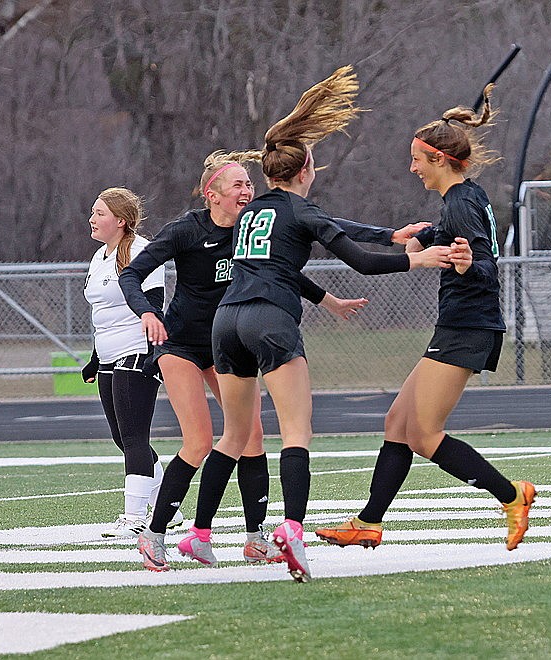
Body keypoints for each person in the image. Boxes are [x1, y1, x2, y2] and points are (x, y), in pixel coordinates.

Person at [176, 65, 454, 583]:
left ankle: (198, 534)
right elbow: (357, 258)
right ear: (305, 169)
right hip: (269, 320)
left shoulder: (252, 210)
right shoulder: (301, 213)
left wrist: (390, 234)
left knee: (233, 435)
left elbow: (331, 228)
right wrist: (420, 257)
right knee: (296, 432)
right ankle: (293, 532)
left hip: (225, 321)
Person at [121, 150, 427, 571]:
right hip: (183, 345)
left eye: (250, 183)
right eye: (237, 186)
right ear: (212, 195)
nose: (247, 190)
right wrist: (148, 312)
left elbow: (293, 261)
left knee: (251, 436)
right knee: (200, 441)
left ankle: (252, 537)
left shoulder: (250, 225)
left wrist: (334, 295)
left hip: (225, 337)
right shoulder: (187, 230)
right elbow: (131, 274)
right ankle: (154, 537)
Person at [314, 85, 536, 552]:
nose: (412, 167)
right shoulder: (463, 198)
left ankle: (512, 495)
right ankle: (369, 523)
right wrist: (429, 236)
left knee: (422, 433)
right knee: (397, 422)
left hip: (468, 326)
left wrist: (464, 261)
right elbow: (462, 239)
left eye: (417, 159)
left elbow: (484, 263)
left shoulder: (460, 201)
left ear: (437, 159)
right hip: (458, 324)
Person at [83, 187, 171, 538]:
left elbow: (154, 304)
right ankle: (166, 501)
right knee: (122, 437)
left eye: (100, 213)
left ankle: (134, 518)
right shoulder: (99, 256)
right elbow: (102, 312)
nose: (92, 219)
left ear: (120, 220)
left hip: (137, 351)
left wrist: (153, 354)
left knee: (135, 436)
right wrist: (94, 358)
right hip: (108, 354)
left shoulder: (140, 252)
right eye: (93, 212)